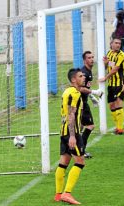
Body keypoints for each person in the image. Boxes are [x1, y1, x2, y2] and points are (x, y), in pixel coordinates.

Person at [54, 68, 85, 204]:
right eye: (80, 76)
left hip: (63, 131)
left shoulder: (67, 91)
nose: (83, 77)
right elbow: (71, 114)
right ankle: (67, 193)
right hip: (71, 132)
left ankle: (58, 195)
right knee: (80, 162)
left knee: (63, 163)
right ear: (73, 80)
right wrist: (73, 136)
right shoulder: (74, 93)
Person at [99, 37, 124, 135]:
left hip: (119, 83)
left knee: (118, 104)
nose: (118, 45)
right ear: (111, 43)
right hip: (111, 84)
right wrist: (106, 63)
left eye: (119, 43)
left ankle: (120, 128)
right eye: (116, 43)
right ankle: (117, 127)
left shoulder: (122, 55)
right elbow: (109, 66)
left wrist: (105, 78)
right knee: (111, 106)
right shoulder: (109, 53)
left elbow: (115, 69)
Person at [79, 51, 103, 159]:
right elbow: (80, 88)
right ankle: (81, 151)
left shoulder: (88, 71)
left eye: (93, 57)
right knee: (90, 126)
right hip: (80, 103)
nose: (92, 59)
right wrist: (94, 93)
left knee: (80, 127)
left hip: (82, 102)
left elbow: (85, 89)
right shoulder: (84, 72)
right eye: (89, 58)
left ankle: (76, 149)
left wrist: (92, 98)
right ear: (84, 60)